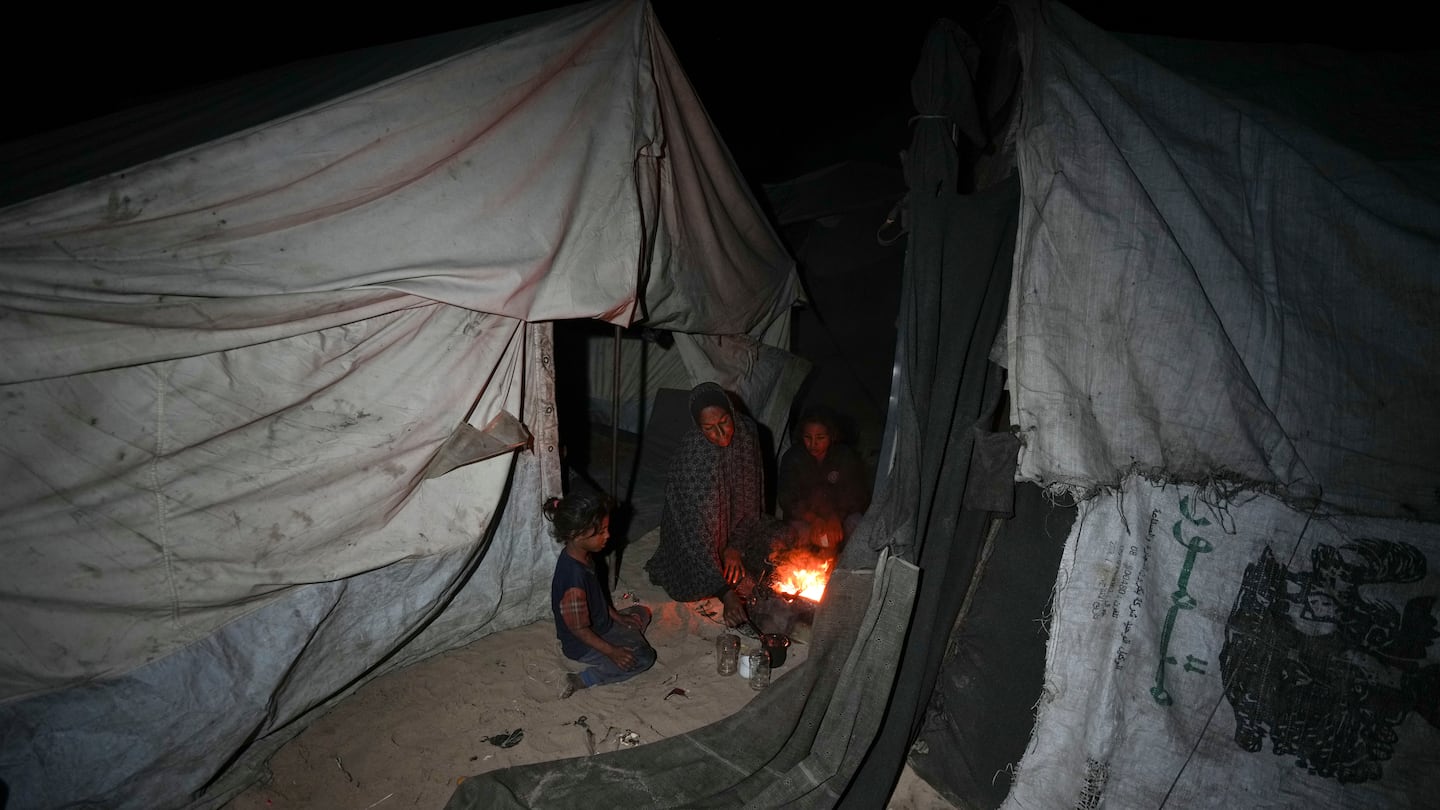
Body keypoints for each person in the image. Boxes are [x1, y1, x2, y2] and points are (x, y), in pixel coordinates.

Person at [645, 382, 794, 628]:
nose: (721, 433)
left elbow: (751, 497)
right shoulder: (692, 460)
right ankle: (723, 579)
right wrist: (726, 593)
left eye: (724, 421)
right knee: (690, 584)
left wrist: (734, 547)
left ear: (732, 413)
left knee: (783, 536)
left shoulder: (746, 431)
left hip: (736, 527)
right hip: (695, 538)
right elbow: (694, 534)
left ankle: (734, 566)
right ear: (698, 427)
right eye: (709, 428)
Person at [545, 490, 655, 698]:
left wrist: (617, 617)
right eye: (601, 531)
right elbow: (579, 630)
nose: (608, 535)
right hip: (582, 643)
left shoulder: (583, 556)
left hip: (602, 623)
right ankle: (585, 679)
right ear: (577, 535)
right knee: (644, 657)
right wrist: (612, 651)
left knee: (641, 612)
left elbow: (597, 597)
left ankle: (629, 638)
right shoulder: (572, 581)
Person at [778, 407, 870, 554]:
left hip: (839, 516)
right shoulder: (793, 458)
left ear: (831, 436)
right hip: (805, 518)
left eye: (820, 438)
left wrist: (836, 517)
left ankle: (850, 570)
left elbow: (855, 494)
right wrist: (814, 519)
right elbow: (787, 498)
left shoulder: (844, 456)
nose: (813, 444)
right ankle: (801, 567)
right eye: (808, 437)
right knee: (795, 535)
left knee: (857, 525)